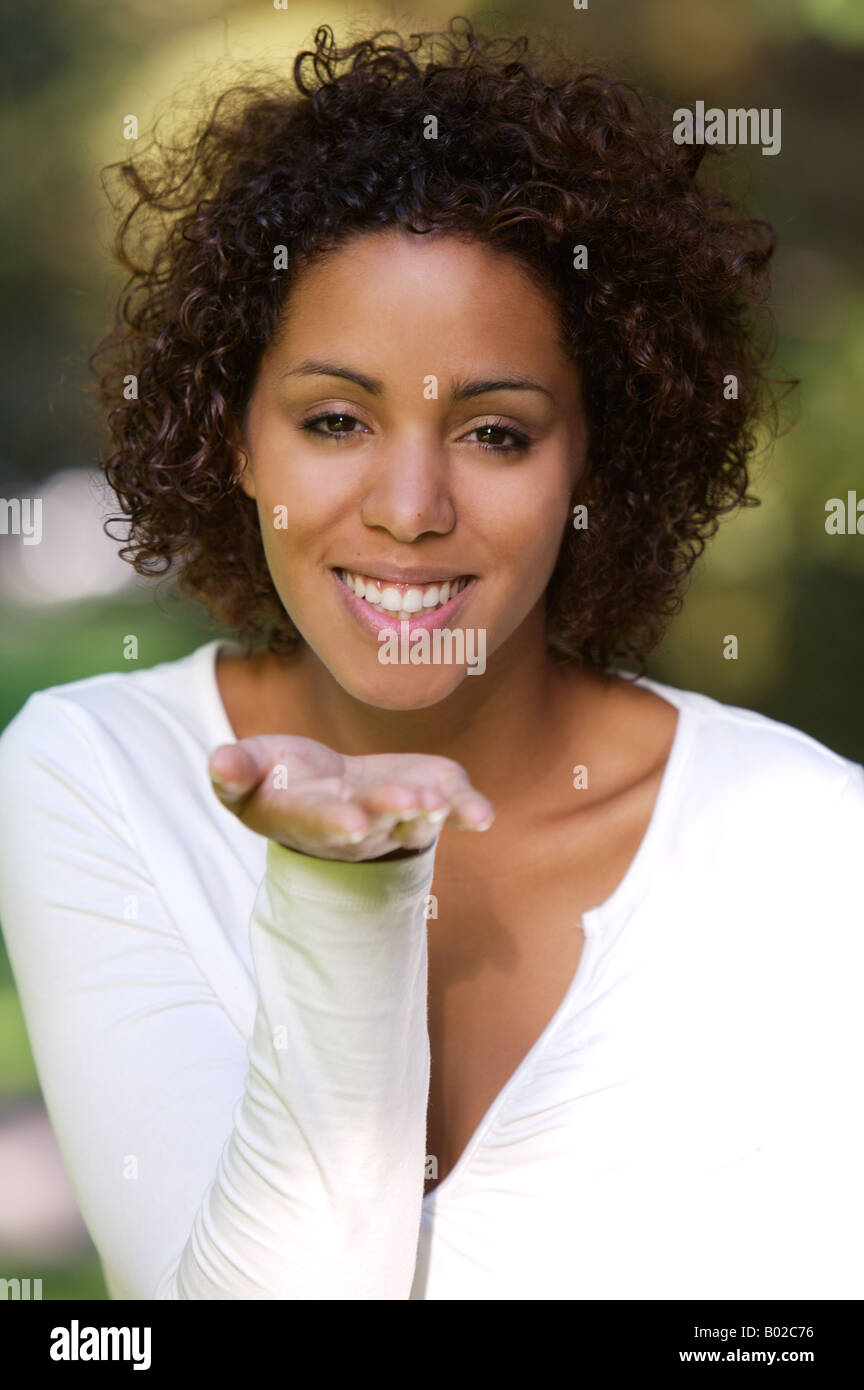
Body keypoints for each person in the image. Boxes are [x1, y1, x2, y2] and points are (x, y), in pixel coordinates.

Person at [0, 17, 861, 1301]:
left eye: (497, 433)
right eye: (335, 418)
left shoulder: (804, 845)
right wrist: (341, 884)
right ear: (236, 439)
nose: (410, 506)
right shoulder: (90, 774)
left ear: (591, 462)